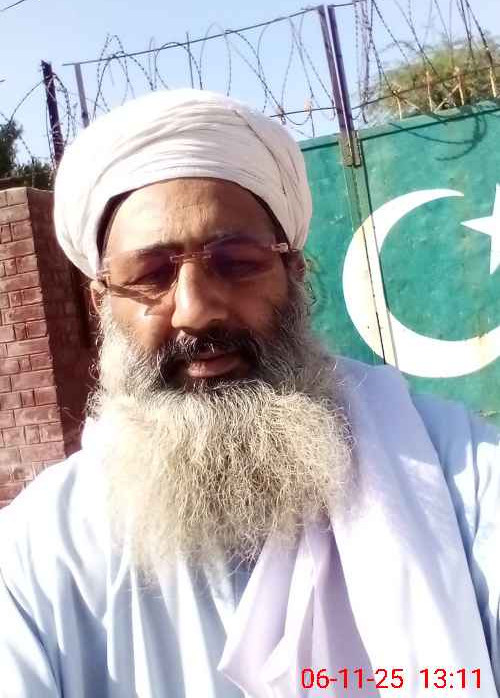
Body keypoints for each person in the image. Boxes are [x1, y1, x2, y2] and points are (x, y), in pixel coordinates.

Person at [0, 89, 498, 698]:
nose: (196, 311)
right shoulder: (40, 551)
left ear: (295, 274)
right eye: (151, 275)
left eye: (236, 262)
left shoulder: (460, 477)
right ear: (101, 303)